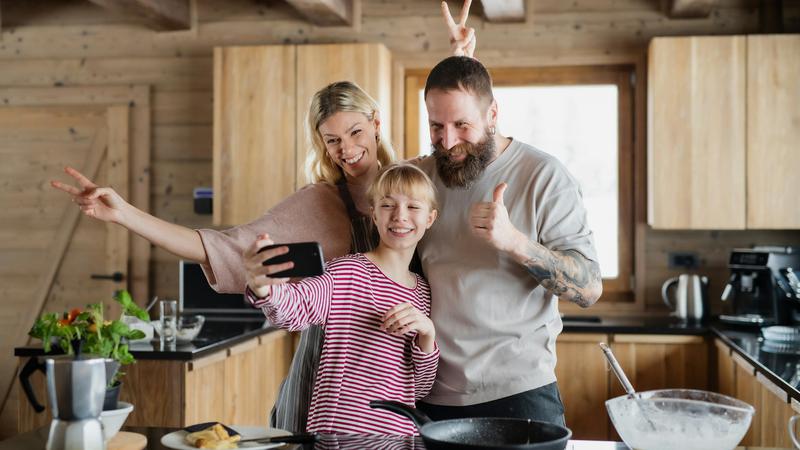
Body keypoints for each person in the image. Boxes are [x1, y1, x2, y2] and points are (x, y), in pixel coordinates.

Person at [50, 1, 477, 432]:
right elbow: (221, 248)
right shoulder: (317, 204)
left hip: (402, 391)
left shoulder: (413, 180)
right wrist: (125, 214)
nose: (346, 150)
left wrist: (463, 61)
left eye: (355, 133)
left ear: (376, 124)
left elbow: (459, 139)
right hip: (333, 386)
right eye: (331, 141)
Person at [413, 55, 603, 425]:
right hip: (433, 397)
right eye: (437, 126)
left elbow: (589, 288)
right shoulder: (421, 178)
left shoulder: (544, 176)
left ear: (493, 113)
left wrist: (515, 242)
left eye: (461, 124)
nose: (448, 141)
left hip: (519, 394)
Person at [242, 163, 439, 435]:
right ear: (374, 215)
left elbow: (420, 387)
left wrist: (427, 334)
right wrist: (264, 288)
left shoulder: (423, 293)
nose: (400, 216)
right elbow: (295, 309)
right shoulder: (348, 272)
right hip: (339, 436)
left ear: (430, 218)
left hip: (397, 439)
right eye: (387, 205)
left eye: (413, 207)